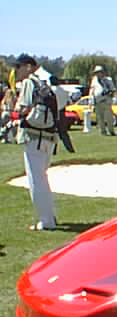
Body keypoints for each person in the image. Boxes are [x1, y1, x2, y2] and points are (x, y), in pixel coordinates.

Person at [12, 54, 57, 231]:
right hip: (48, 137)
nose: (17, 71)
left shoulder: (29, 83)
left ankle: (46, 221)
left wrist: (15, 112)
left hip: (33, 137)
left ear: (29, 67)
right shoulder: (43, 82)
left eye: (19, 67)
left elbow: (21, 109)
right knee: (42, 179)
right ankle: (50, 216)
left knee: (36, 181)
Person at [49, 75, 74, 153]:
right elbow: (70, 102)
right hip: (62, 112)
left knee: (52, 132)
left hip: (52, 113)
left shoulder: (50, 90)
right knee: (63, 133)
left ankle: (53, 150)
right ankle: (70, 149)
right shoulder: (63, 90)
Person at [89, 65, 116, 136]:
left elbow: (113, 90)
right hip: (98, 102)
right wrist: (91, 101)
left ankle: (111, 130)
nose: (98, 74)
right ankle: (103, 131)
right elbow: (92, 91)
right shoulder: (94, 81)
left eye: (100, 72)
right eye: (97, 72)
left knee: (109, 118)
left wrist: (109, 92)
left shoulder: (108, 80)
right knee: (100, 118)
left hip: (106, 101)